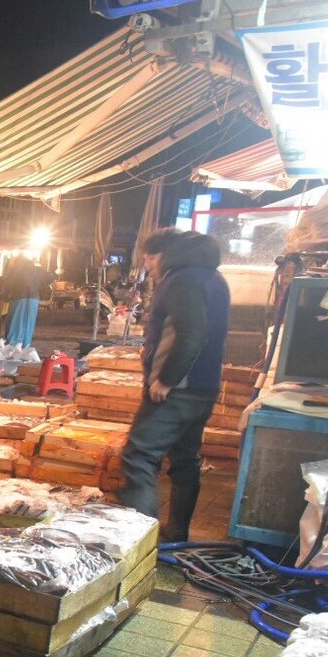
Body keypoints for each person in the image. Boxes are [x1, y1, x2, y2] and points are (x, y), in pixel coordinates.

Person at [118, 229, 231, 543]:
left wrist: (167, 378)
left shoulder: (182, 280)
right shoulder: (214, 278)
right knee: (185, 459)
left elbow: (192, 334)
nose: (148, 266)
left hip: (176, 390)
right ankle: (177, 533)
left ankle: (135, 542)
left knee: (139, 456)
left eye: (150, 258)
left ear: (167, 254)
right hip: (204, 388)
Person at [1, 254, 53, 349]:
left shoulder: (16, 270)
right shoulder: (37, 269)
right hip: (33, 299)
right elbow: (49, 278)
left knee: (15, 321)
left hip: (18, 298)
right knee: (29, 322)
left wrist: (4, 293)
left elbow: (8, 283)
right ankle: (25, 345)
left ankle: (12, 345)